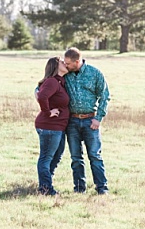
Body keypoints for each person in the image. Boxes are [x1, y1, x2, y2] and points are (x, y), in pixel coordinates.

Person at [62, 46, 110, 194]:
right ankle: (79, 188)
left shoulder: (94, 73)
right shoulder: (65, 74)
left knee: (95, 156)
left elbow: (104, 96)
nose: (65, 65)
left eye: (68, 63)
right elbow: (46, 83)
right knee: (76, 158)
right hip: (72, 122)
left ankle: (102, 188)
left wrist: (98, 118)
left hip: (90, 121)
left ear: (77, 62)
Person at [34, 56, 70, 196]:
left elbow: (39, 92)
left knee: (56, 156)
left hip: (58, 127)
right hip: (49, 126)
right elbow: (42, 96)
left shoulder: (60, 82)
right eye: (62, 62)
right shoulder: (52, 81)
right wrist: (48, 112)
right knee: (46, 157)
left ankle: (46, 183)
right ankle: (46, 189)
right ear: (55, 66)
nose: (65, 63)